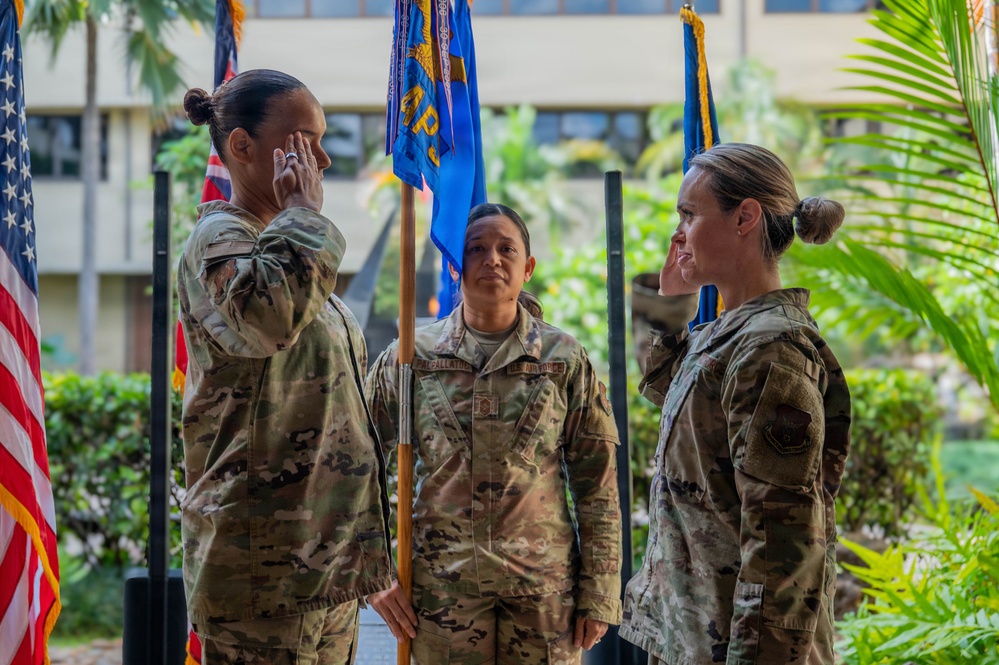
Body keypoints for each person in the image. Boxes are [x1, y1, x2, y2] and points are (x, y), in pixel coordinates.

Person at [176, 69, 394, 665]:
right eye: (303, 140)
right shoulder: (221, 237)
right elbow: (267, 319)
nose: (321, 159)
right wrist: (302, 214)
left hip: (324, 565)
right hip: (261, 572)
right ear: (242, 146)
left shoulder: (286, 245)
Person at [619, 143, 852, 665]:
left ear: (745, 217)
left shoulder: (771, 350)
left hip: (735, 648)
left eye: (689, 215)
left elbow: (784, 550)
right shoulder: (726, 334)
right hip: (691, 637)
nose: (678, 234)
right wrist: (666, 300)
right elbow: (665, 390)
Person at [363, 203, 623, 664]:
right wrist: (374, 571)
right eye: (475, 249)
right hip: (442, 595)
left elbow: (597, 485)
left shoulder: (563, 359)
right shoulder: (411, 359)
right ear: (453, 264)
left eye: (507, 249)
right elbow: (356, 467)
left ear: (529, 267)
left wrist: (600, 591)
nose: (492, 259)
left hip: (544, 597)